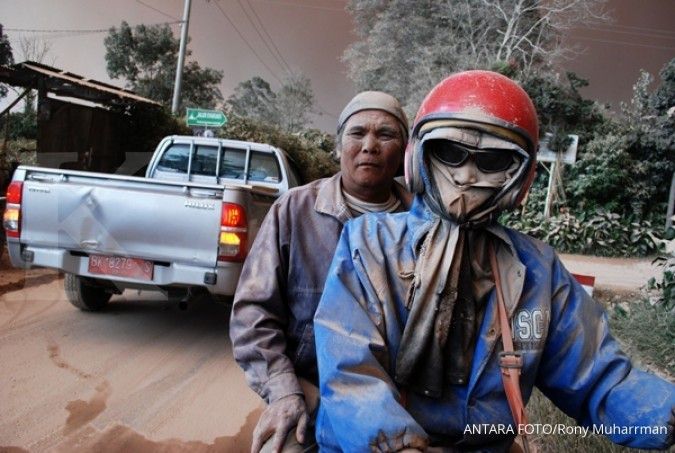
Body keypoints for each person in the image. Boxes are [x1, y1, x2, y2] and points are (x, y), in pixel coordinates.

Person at [313, 70, 675, 452]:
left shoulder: (538, 270)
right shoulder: (369, 243)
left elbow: (600, 377)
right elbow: (350, 369)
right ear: (418, 156)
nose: (467, 176)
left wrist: (663, 414)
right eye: (451, 153)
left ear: (521, 177)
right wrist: (395, 444)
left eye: (492, 160)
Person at [230, 91, 412, 453]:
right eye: (357, 133)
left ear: (406, 151)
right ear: (339, 144)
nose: (370, 146)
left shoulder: (424, 224)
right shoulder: (294, 211)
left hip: (404, 400)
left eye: (386, 135)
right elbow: (253, 314)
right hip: (314, 392)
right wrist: (283, 391)